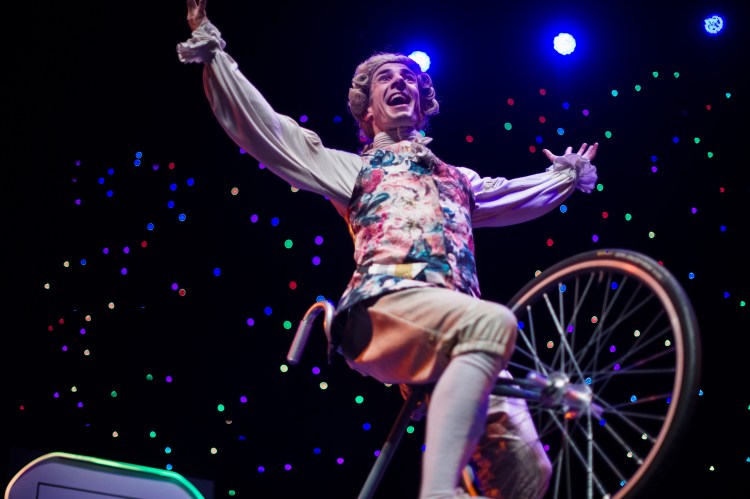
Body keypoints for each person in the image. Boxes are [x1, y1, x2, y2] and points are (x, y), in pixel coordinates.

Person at [177, 1, 598, 497]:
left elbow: (513, 194)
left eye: (410, 79)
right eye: (386, 78)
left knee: (528, 472)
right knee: (494, 322)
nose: (401, 82)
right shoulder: (354, 169)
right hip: (383, 310)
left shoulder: (457, 180)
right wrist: (215, 55)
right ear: (368, 108)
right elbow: (271, 132)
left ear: (422, 103)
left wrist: (565, 175)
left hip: (457, 327)